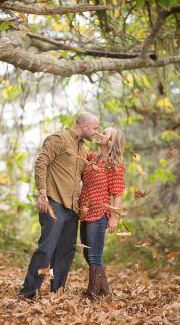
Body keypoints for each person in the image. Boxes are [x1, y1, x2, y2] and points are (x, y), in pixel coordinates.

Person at [19, 112, 100, 299]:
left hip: (72, 207)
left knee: (66, 252)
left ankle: (58, 293)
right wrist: (42, 192)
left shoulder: (82, 151)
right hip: (54, 202)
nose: (96, 132)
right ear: (84, 126)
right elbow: (41, 162)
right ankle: (28, 292)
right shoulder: (59, 139)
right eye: (95, 128)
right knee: (47, 248)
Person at [78, 127, 126, 297]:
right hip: (85, 212)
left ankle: (92, 293)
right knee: (86, 251)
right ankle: (104, 291)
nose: (100, 134)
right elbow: (80, 152)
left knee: (95, 255)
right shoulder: (94, 158)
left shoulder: (115, 165)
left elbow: (118, 193)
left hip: (99, 213)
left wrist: (114, 217)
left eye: (104, 133)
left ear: (111, 141)